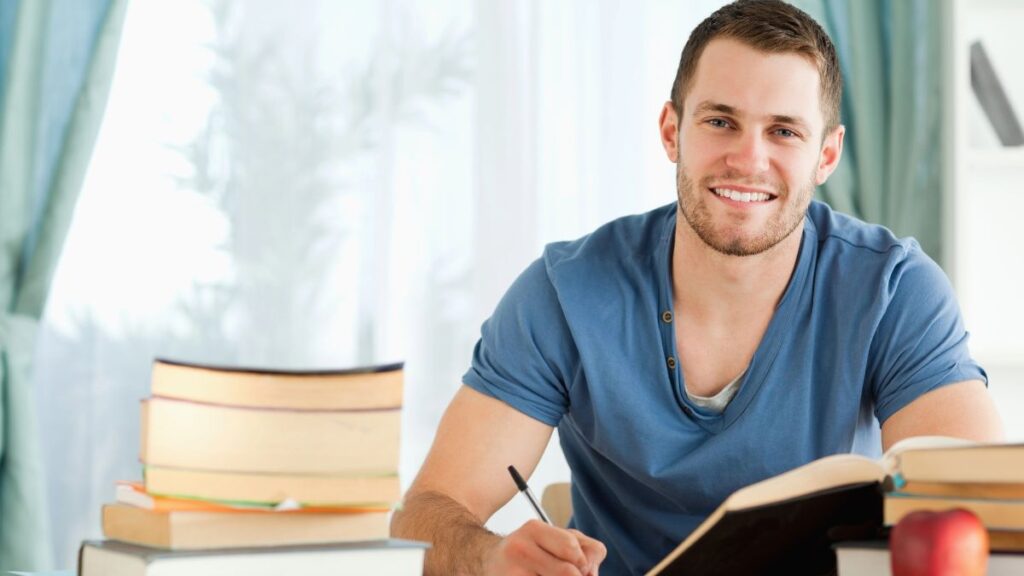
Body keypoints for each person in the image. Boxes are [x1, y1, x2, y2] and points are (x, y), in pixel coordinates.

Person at [391, 1, 1005, 574]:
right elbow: (424, 514)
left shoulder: (895, 291)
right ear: (671, 130)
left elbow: (979, 509)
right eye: (720, 121)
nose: (748, 158)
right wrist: (493, 555)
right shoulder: (564, 293)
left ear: (826, 155)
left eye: (784, 131)